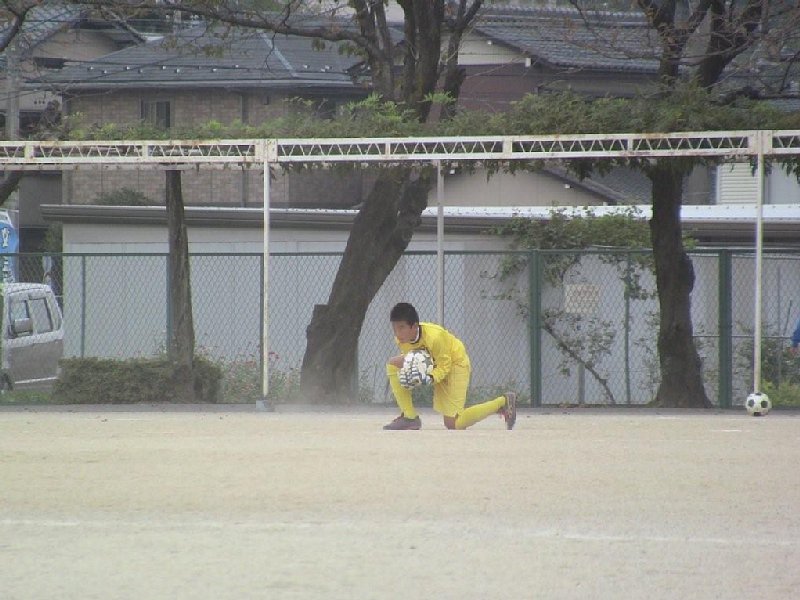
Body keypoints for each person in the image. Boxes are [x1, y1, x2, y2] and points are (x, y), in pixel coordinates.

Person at [383, 302, 517, 431]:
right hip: (435, 363)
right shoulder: (401, 340)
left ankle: (503, 402)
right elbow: (415, 357)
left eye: (401, 327)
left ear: (414, 326)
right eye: (395, 328)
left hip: (455, 364)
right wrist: (411, 373)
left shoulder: (435, 337)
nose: (397, 333)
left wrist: (429, 377)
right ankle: (409, 417)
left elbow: (444, 366)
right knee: (393, 364)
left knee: (454, 424)